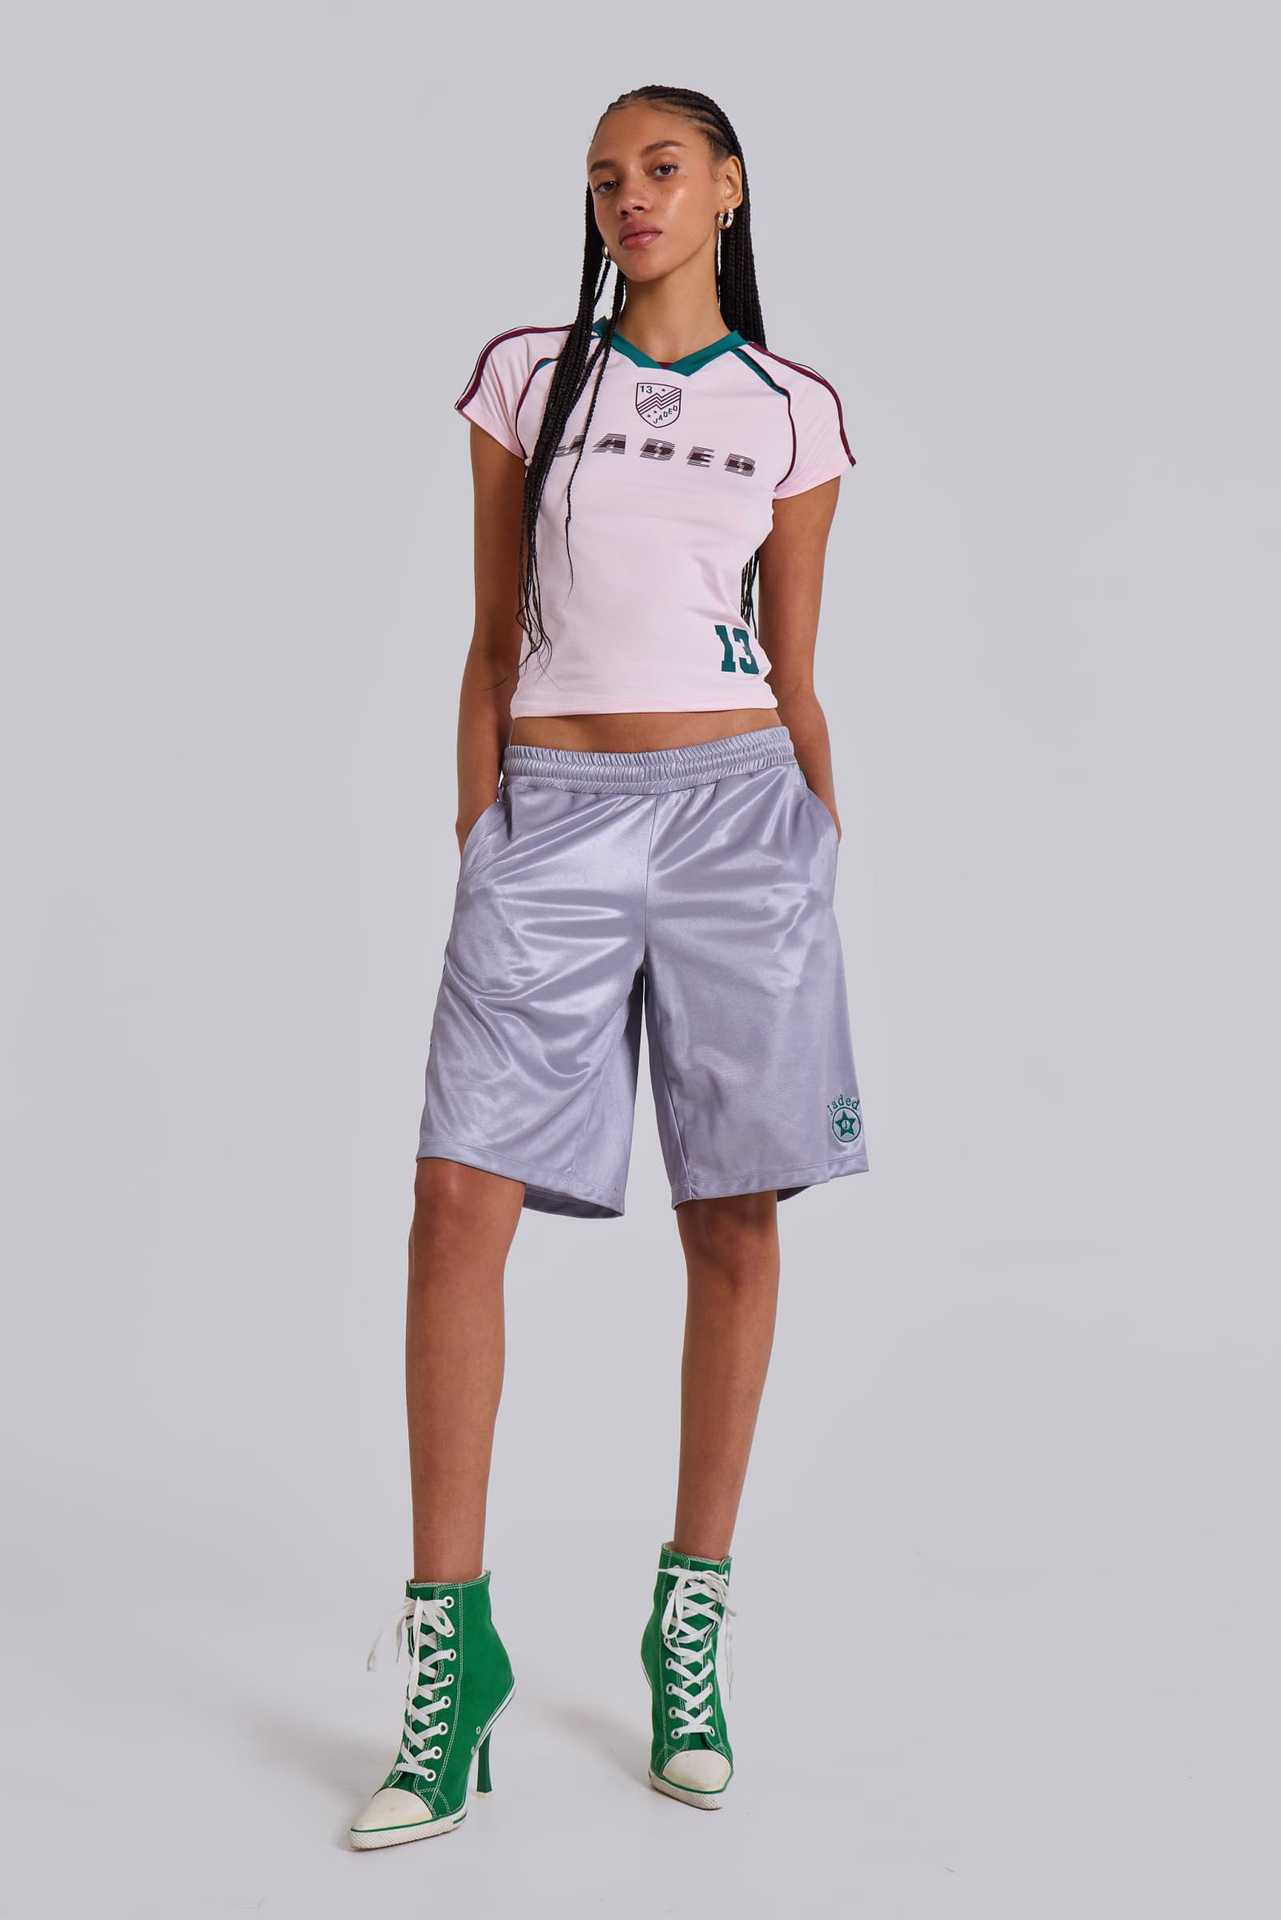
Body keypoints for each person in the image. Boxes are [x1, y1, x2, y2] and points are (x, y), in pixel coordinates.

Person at [349, 82, 870, 1850]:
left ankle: (687, 1625)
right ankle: (452, 1654)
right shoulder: (528, 376)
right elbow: (492, 635)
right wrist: (483, 825)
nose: (626, 198)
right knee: (454, 1199)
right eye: (600, 179)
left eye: (658, 169)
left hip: (740, 820)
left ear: (727, 188)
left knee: (734, 1217)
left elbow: (795, 664)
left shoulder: (790, 409)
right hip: (554, 815)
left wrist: (814, 836)